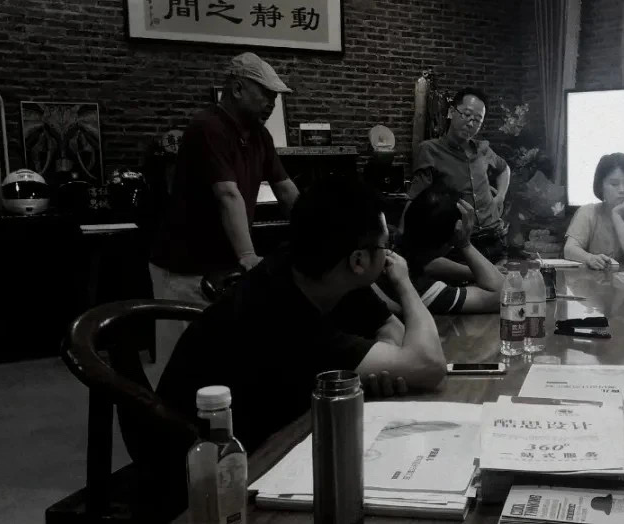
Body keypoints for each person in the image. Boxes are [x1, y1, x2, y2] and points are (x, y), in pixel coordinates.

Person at [136, 180, 446, 514]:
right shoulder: (280, 310)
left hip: (276, 439)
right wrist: (403, 283)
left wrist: (385, 362)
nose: (390, 257)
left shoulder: (318, 269)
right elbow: (429, 364)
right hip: (209, 482)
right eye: (387, 246)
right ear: (359, 260)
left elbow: (394, 330)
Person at [148, 52, 300, 370]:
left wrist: (319, 229)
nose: (272, 103)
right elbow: (227, 194)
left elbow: (286, 188)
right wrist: (248, 255)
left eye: (275, 97)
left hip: (223, 264)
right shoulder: (208, 127)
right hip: (185, 265)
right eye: (266, 93)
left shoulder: (260, 136)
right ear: (237, 88)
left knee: (218, 358)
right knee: (179, 361)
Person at [408, 88, 510, 262]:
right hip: (459, 244)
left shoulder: (483, 149)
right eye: (466, 115)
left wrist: (500, 196)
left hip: (495, 237)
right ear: (451, 112)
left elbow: (504, 169)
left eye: (477, 120)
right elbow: (415, 199)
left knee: (506, 279)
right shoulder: (430, 150)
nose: (471, 123)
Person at [378, 180, 504, 314]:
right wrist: (465, 244)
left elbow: (428, 263)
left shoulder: (392, 242)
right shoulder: (421, 290)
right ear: (447, 245)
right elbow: (501, 296)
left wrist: (473, 272)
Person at [564, 153, 624, 269]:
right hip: (595, 278)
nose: (622, 190)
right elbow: (569, 249)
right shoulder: (588, 212)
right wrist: (589, 258)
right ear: (600, 186)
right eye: (614, 184)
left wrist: (617, 215)